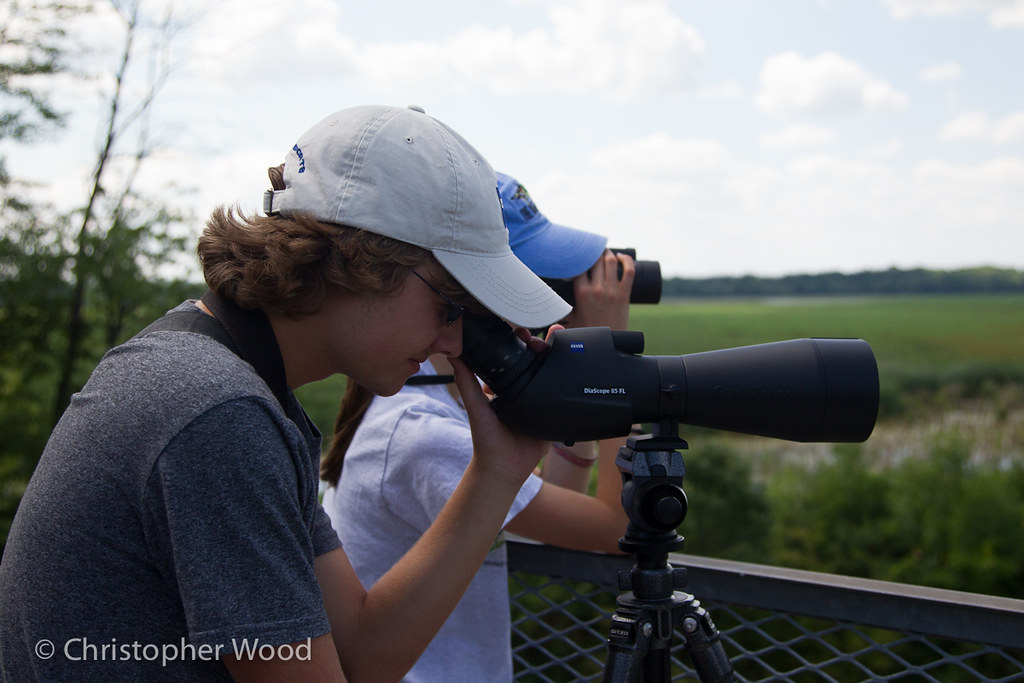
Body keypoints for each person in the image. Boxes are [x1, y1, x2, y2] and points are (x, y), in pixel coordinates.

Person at [0, 105, 572, 682]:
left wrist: (497, 471)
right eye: (450, 305)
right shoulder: (218, 414)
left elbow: (361, 653)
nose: (454, 341)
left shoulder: (231, 382)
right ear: (363, 261)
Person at [321, 171, 634, 682]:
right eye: (537, 278)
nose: (543, 297)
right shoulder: (425, 434)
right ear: (476, 284)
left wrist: (559, 390)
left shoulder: (435, 397)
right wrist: (610, 356)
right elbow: (620, 529)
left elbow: (552, 510)